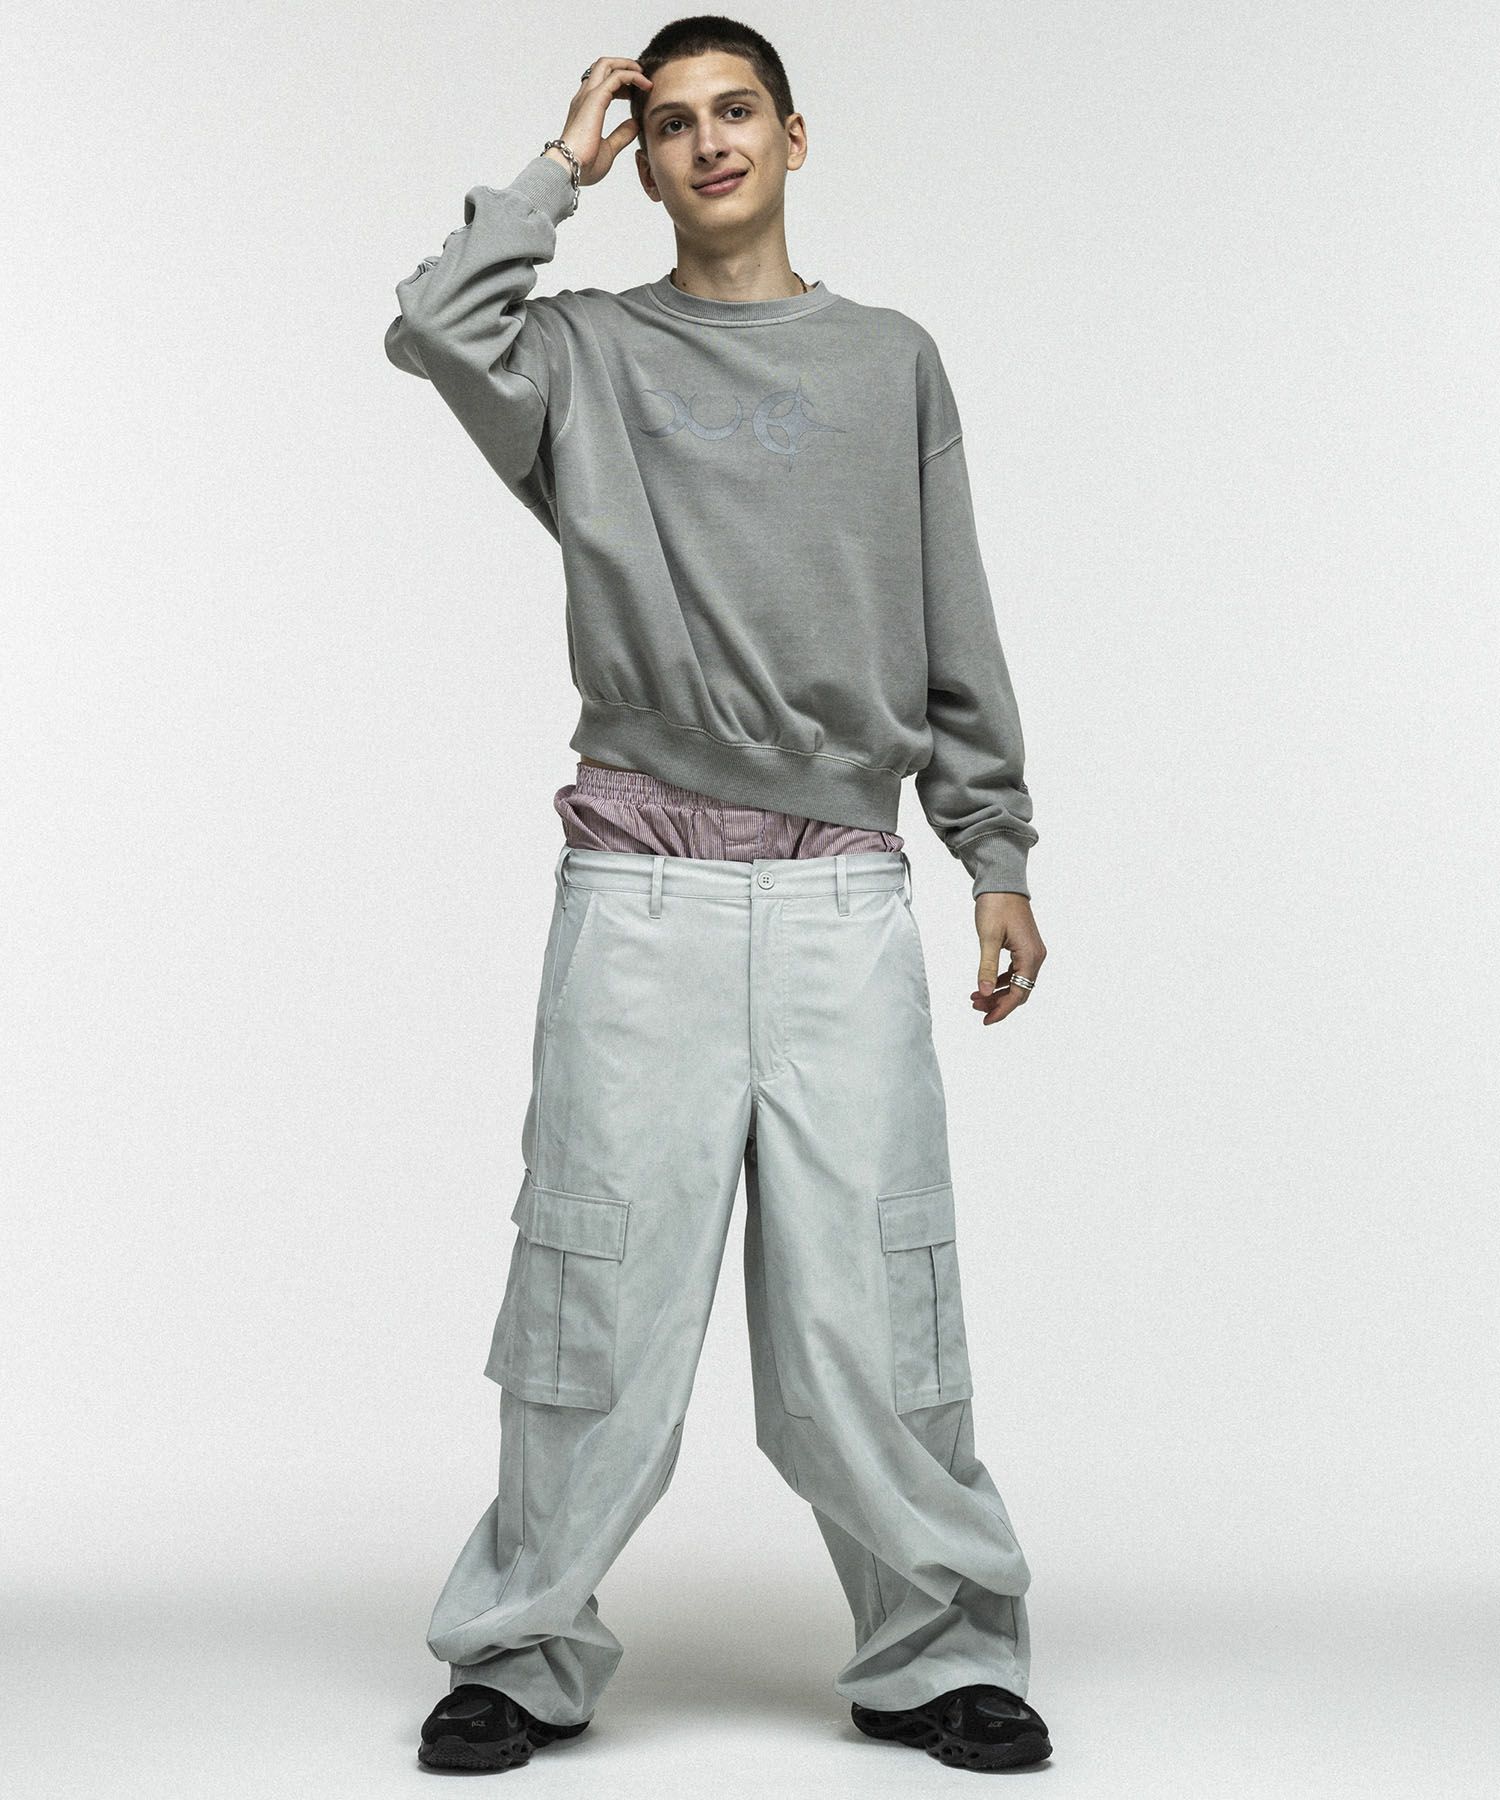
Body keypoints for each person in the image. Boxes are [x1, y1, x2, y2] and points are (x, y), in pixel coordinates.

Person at [384, 15, 1051, 1776]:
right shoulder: (583, 358)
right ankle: (518, 1650)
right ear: (646, 156)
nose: (705, 142)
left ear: (794, 137)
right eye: (669, 122)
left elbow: (951, 610)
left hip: (840, 899)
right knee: (591, 1295)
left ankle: (940, 1652)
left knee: (873, 1304)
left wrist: (992, 846)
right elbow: (436, 324)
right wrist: (558, 166)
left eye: (734, 110)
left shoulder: (890, 361)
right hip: (642, 892)